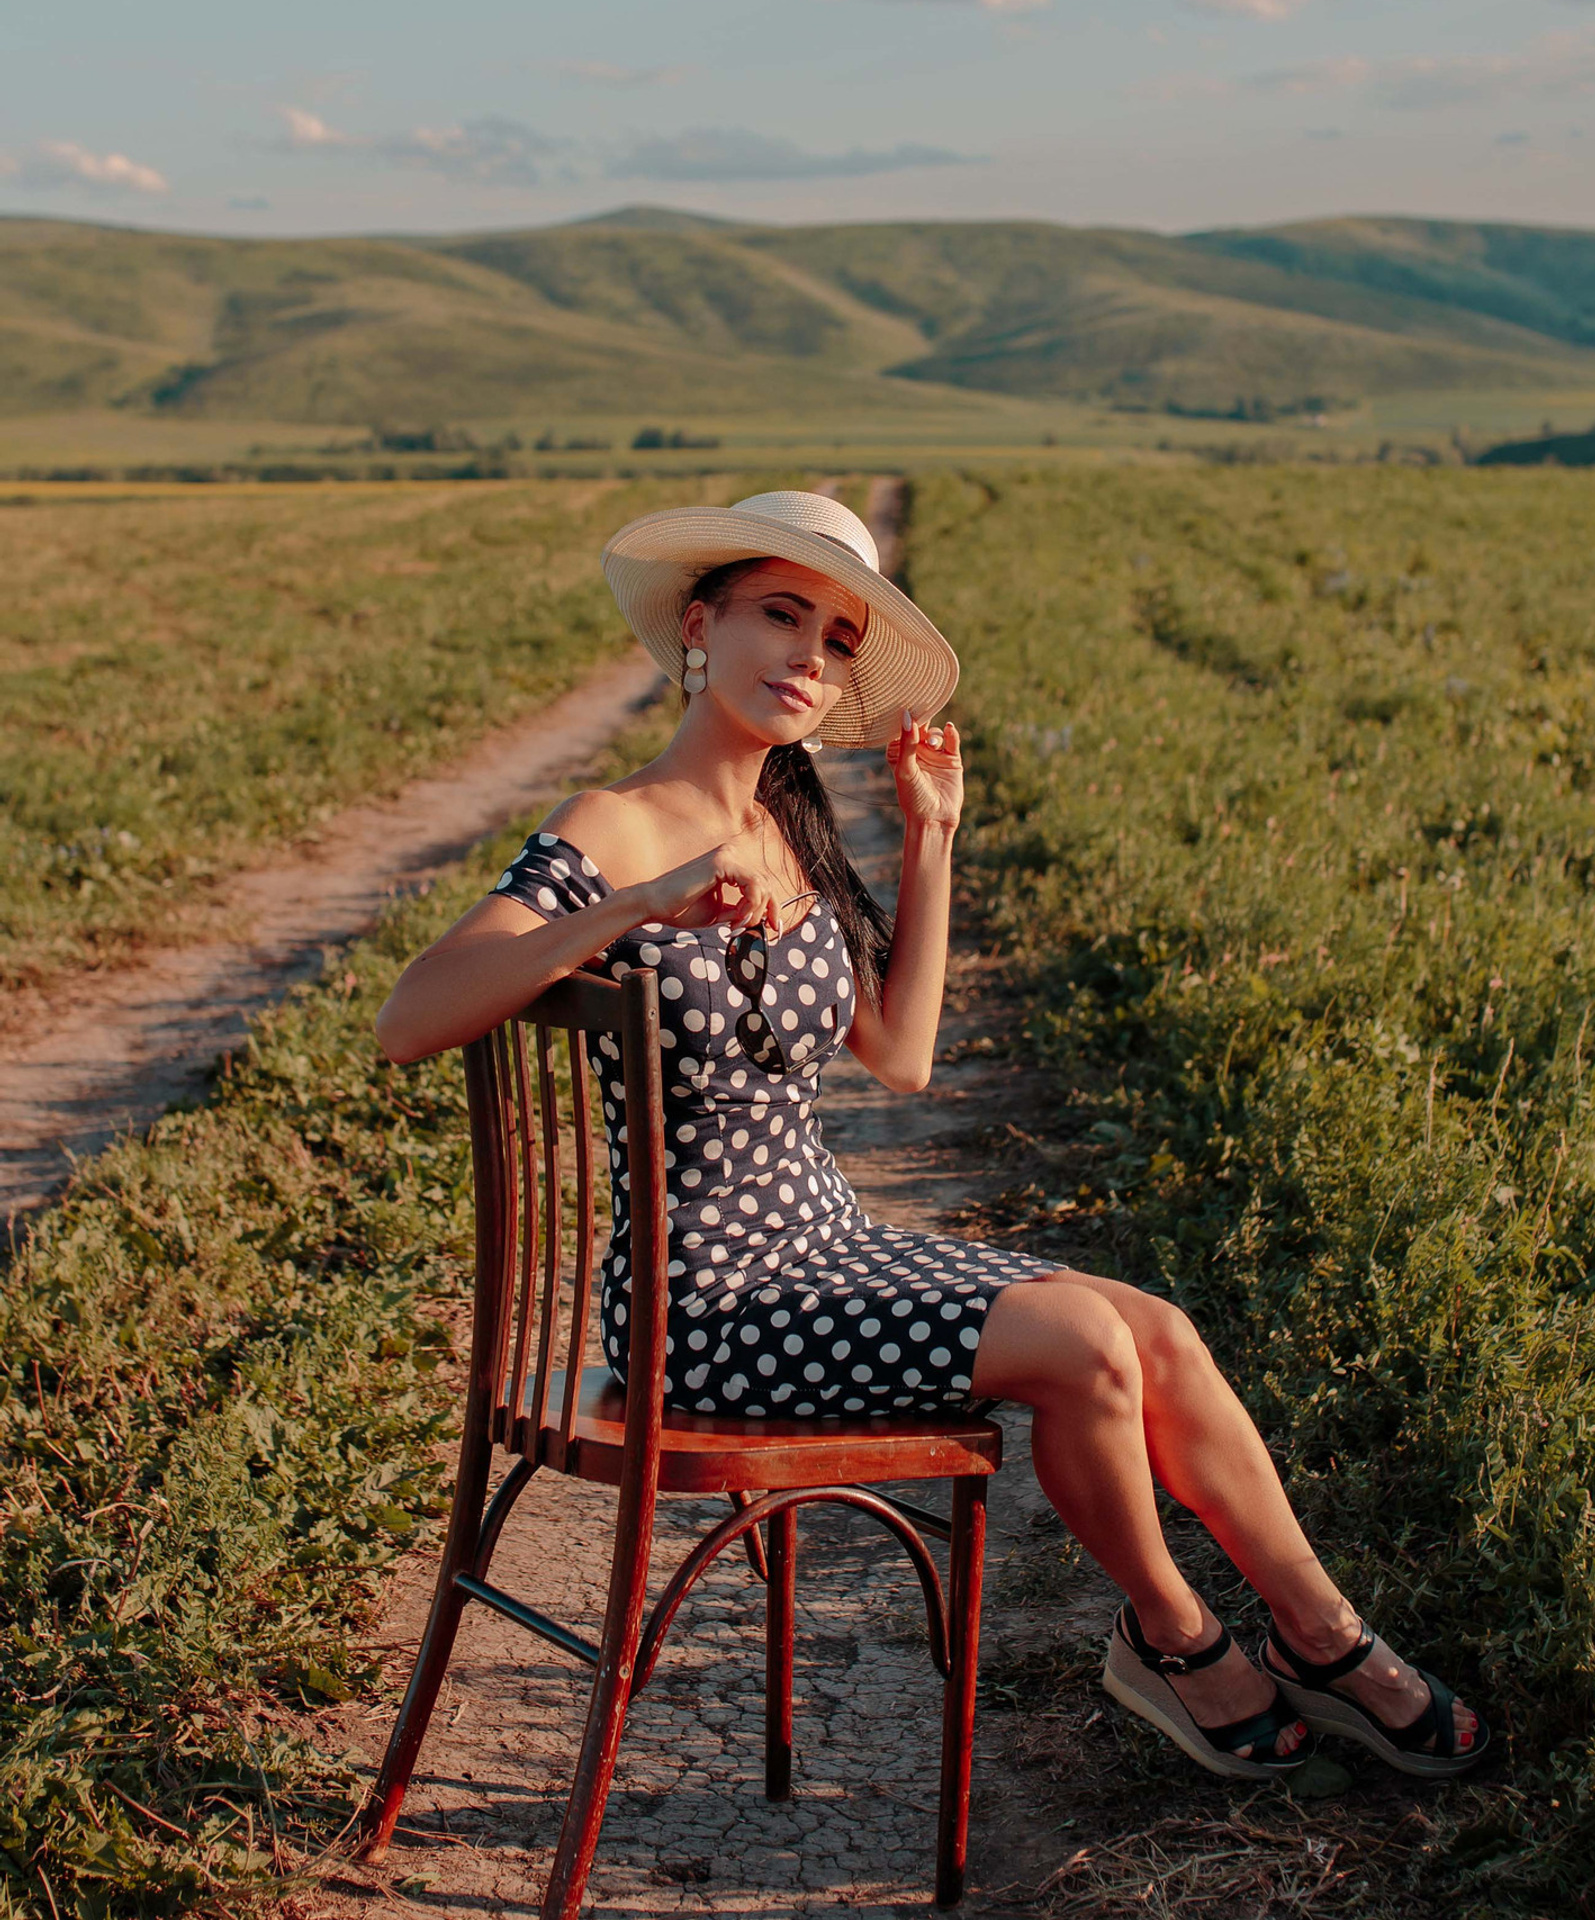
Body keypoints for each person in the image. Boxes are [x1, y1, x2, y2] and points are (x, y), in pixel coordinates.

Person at [376, 490, 1488, 1782]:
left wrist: (930, 836)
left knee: (1159, 1334)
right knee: (1080, 1347)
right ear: (700, 623)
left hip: (823, 1249)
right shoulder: (609, 824)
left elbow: (899, 1059)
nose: (808, 655)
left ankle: (1319, 1632)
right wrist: (642, 902)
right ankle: (1176, 1639)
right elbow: (412, 1018)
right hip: (703, 1307)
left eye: (836, 638)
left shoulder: (793, 823)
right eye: (779, 615)